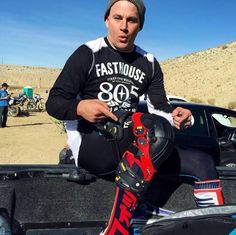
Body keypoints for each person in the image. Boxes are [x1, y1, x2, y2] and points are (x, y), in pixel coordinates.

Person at [46, 1, 223, 234]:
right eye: (118, 18)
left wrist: (177, 116)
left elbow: (160, 108)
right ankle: (117, 230)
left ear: (140, 25)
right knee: (151, 129)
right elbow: (54, 102)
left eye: (131, 20)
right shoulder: (88, 53)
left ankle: (215, 227)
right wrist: (80, 107)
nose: (124, 27)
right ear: (106, 20)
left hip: (135, 143)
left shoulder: (148, 62)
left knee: (203, 163)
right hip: (92, 143)